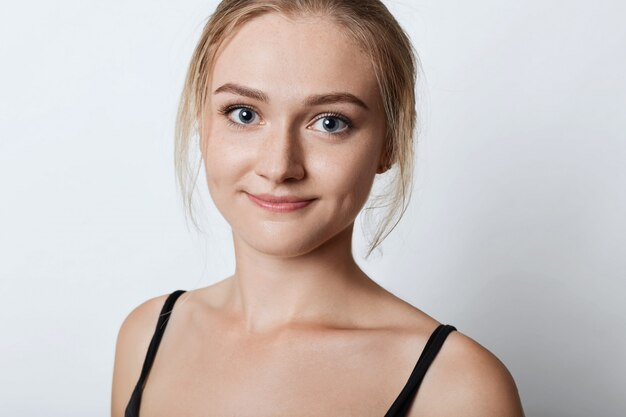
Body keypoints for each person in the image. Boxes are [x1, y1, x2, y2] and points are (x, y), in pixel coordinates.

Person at [111, 1, 525, 416]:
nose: (279, 167)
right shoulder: (148, 334)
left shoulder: (458, 386)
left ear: (391, 142)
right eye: (244, 114)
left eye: (330, 122)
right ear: (203, 123)